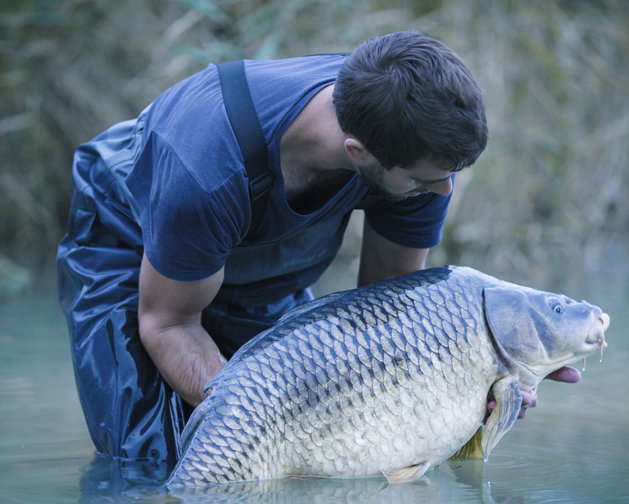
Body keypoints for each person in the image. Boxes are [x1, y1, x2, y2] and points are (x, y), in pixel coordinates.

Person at [56, 31, 575, 464]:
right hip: (134, 231)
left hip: (255, 250)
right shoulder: (206, 172)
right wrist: (265, 423)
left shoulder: (416, 155)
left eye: (448, 178)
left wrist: (474, 383)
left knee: (314, 448)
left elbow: (387, 320)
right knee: (159, 458)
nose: (442, 193)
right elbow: (169, 325)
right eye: (426, 180)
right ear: (358, 153)